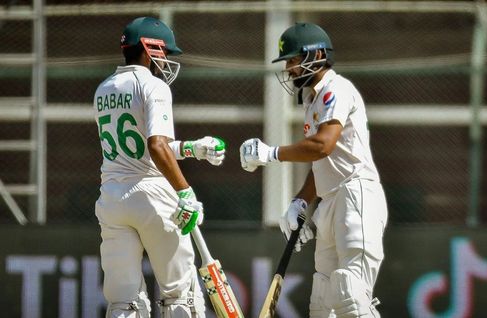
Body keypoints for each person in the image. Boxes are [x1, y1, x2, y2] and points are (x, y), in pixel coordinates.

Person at [240, 22, 387, 317]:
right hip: (331, 200)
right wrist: (301, 202)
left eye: (294, 60)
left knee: (351, 298)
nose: (290, 69)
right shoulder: (312, 99)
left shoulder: (337, 89)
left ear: (316, 55)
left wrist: (271, 154)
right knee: (322, 303)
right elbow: (322, 162)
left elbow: (322, 146)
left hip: (355, 195)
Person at [94, 17, 225, 318]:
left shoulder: (104, 89)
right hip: (153, 196)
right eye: (164, 52)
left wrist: (194, 148)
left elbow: (140, 148)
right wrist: (185, 192)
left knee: (124, 302)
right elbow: (155, 146)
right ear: (149, 48)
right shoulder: (153, 86)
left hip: (112, 198)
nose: (166, 60)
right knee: (180, 296)